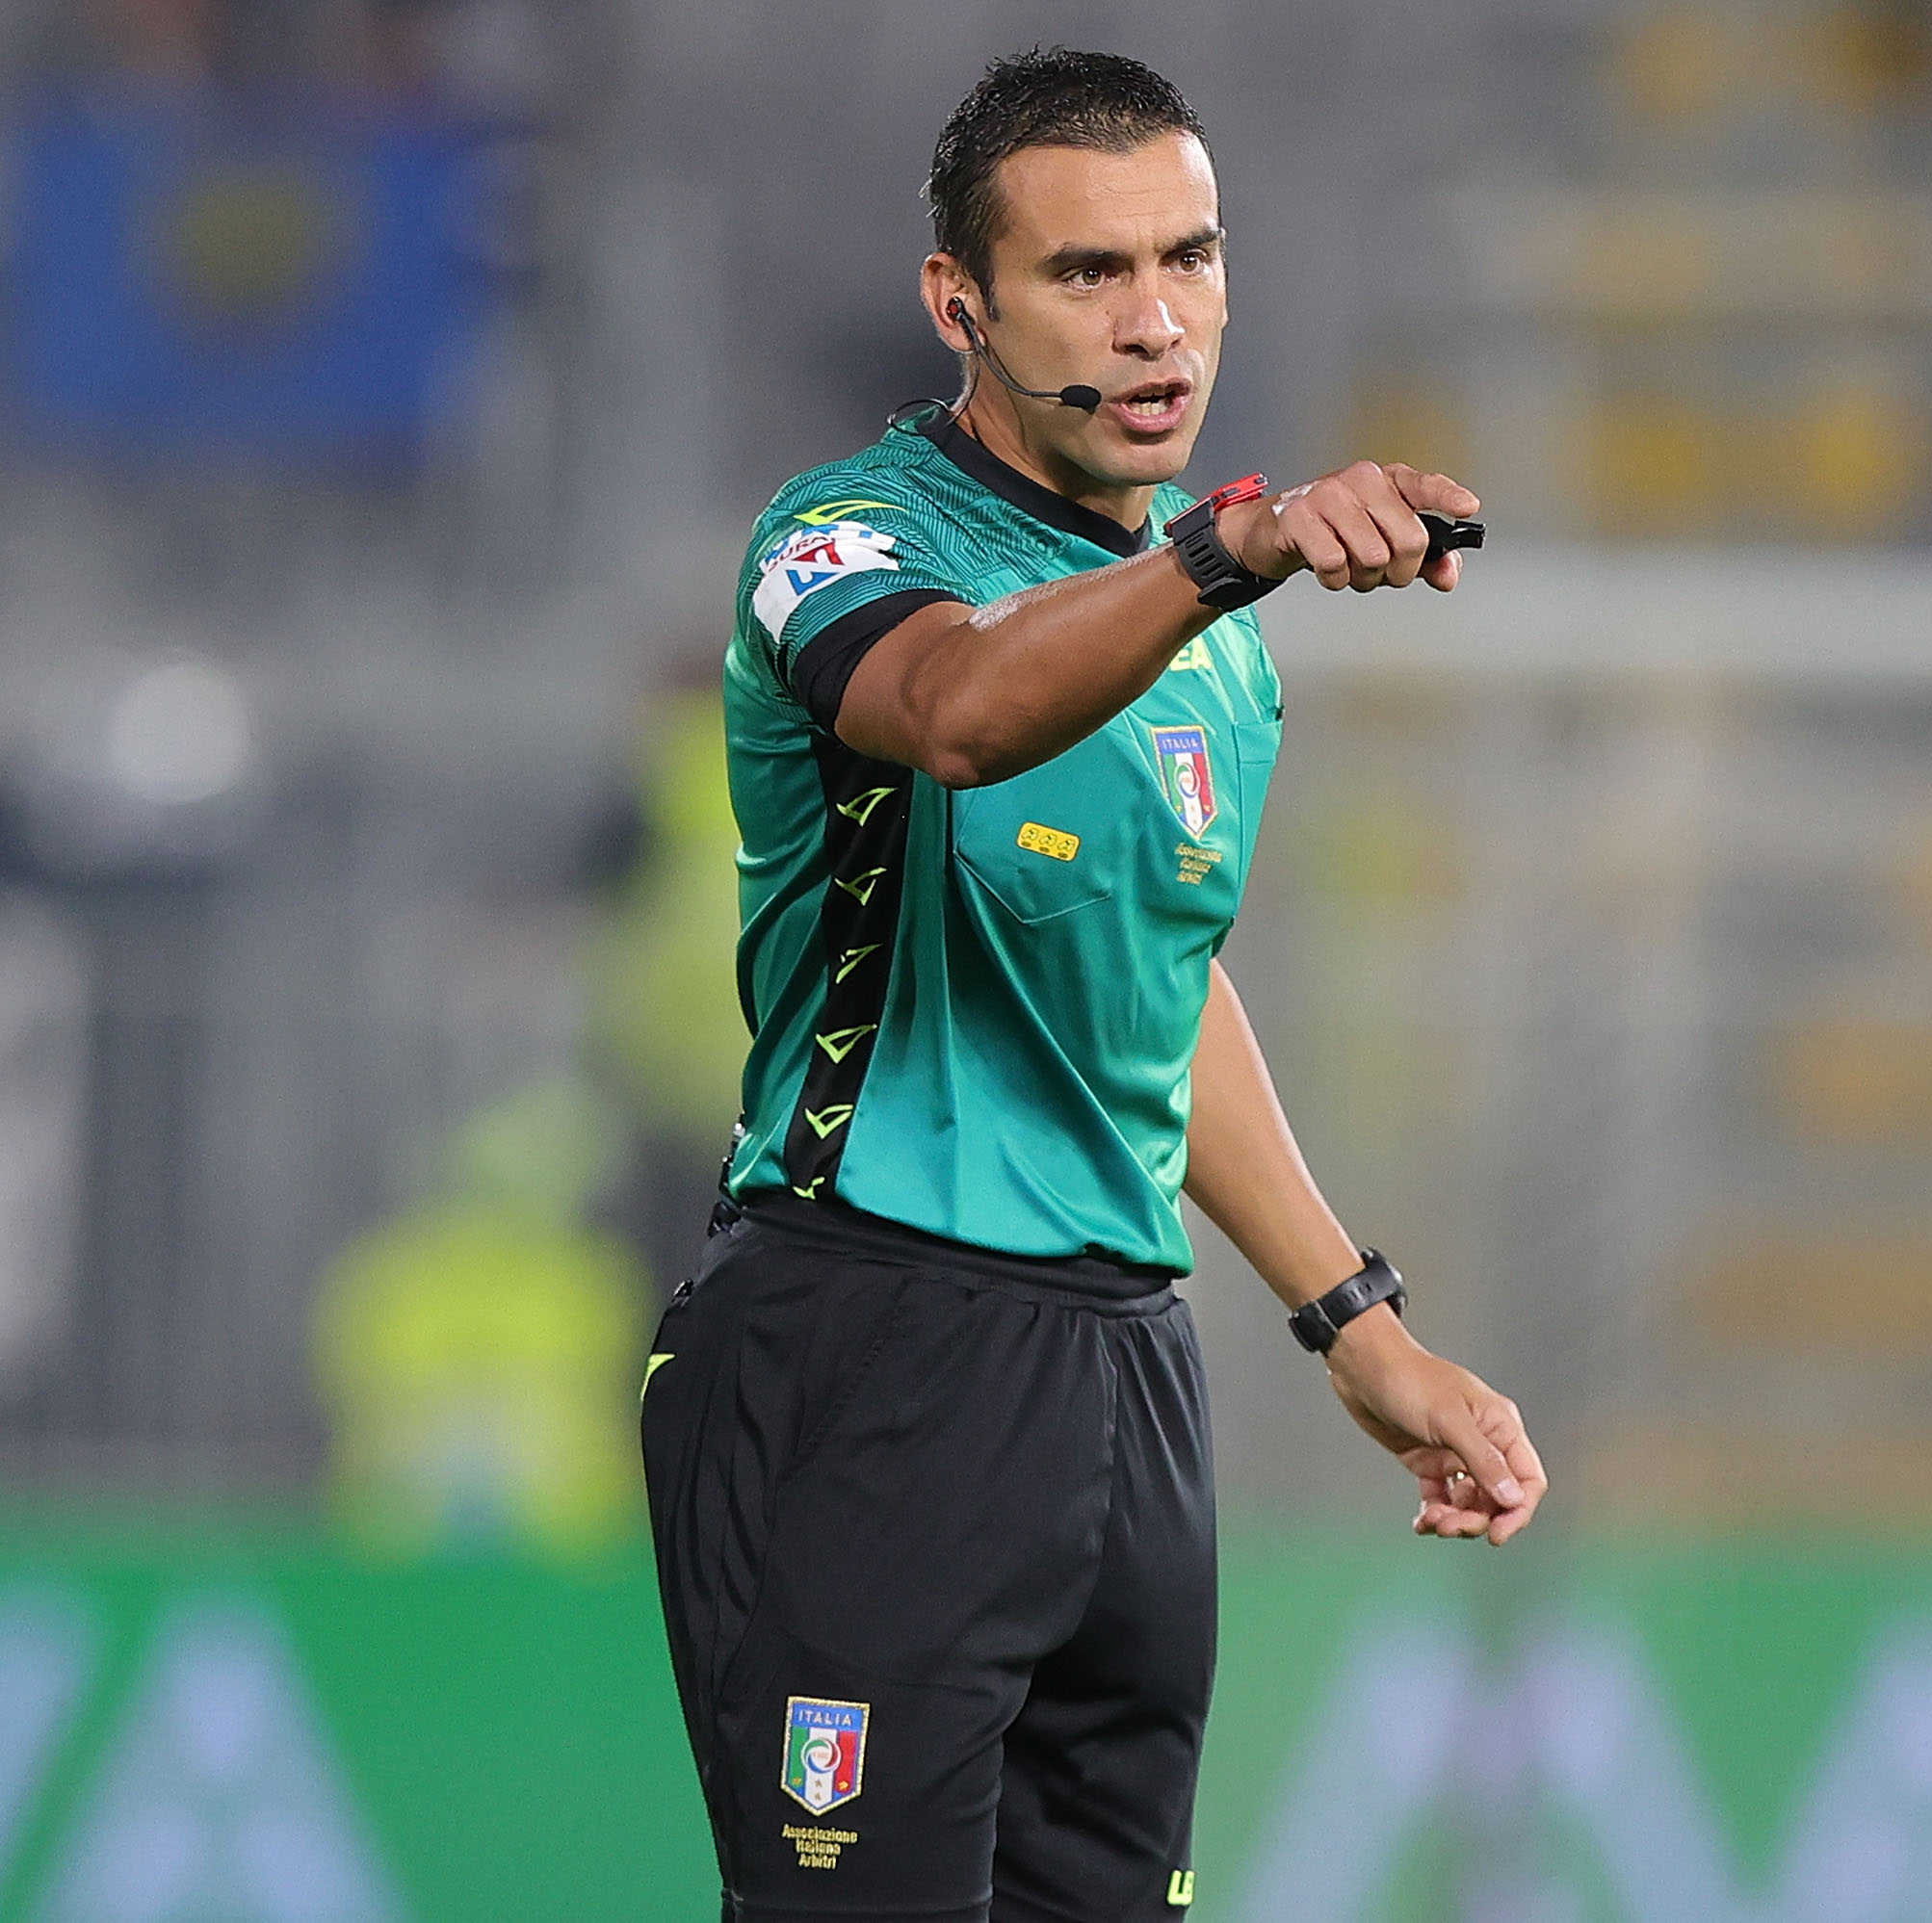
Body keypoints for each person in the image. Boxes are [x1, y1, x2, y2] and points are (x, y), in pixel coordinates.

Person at [638, 46, 1548, 1923]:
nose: (1157, 326)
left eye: (1190, 261)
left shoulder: (1215, 654)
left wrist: (1358, 1327)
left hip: (1130, 1381)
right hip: (872, 1342)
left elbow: (1155, 992)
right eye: (1088, 275)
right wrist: (1236, 545)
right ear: (958, 304)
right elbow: (959, 715)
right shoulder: (844, 545)